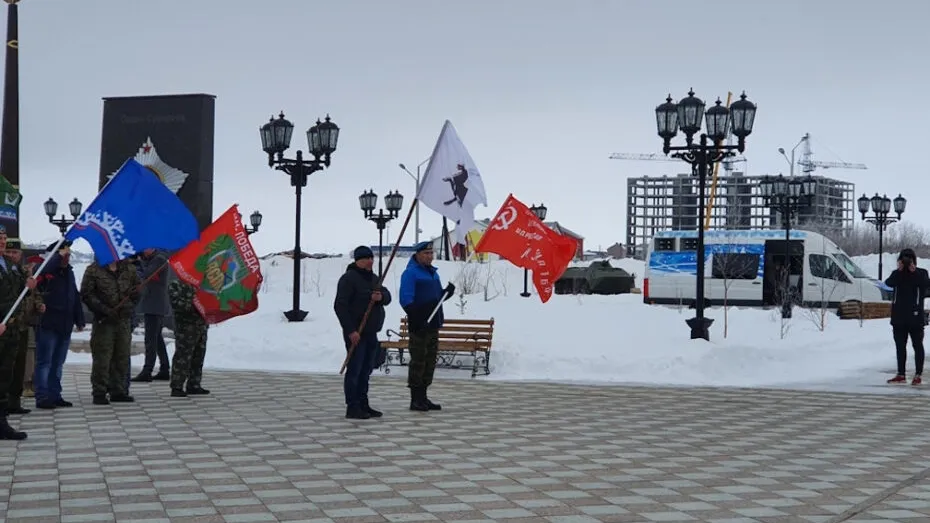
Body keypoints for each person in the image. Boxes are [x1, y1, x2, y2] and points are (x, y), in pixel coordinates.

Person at [334, 246, 392, 419]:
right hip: (356, 332)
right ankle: (352, 406)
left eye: (371, 258)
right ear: (357, 260)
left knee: (366, 369)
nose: (370, 261)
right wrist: (351, 330)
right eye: (366, 258)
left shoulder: (374, 279)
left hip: (371, 332)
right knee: (355, 369)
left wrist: (380, 297)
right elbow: (340, 306)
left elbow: (387, 296)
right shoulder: (348, 279)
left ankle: (363, 403)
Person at [398, 241, 454, 412]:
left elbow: (436, 299)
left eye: (431, 253)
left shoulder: (433, 274)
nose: (430, 256)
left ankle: (424, 396)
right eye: (426, 253)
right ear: (418, 255)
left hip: (433, 323)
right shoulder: (411, 273)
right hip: (419, 325)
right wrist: (417, 318)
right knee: (418, 361)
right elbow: (406, 299)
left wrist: (446, 293)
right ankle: (415, 398)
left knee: (430, 361)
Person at [81, 257, 141, 405]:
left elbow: (137, 290)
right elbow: (86, 294)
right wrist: (103, 310)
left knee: (122, 355)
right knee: (102, 357)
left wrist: (131, 302)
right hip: (104, 321)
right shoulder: (93, 270)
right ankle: (99, 391)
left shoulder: (129, 269)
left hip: (123, 320)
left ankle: (118, 390)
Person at [34, 241, 84, 409]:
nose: (67, 258)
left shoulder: (68, 273)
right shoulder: (45, 269)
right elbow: (39, 274)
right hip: (48, 323)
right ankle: (42, 396)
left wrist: (80, 318)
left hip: (65, 323)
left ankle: (55, 394)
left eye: (69, 255)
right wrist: (56, 258)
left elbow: (74, 296)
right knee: (45, 362)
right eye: (63, 254)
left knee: (58, 363)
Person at [0, 226, 36, 439]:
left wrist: (28, 287)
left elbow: (16, 298)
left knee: (5, 377)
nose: (2, 242)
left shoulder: (11, 266)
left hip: (10, 329)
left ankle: (2, 423)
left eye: (3, 238)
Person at [4, 242, 45, 415]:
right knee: (5, 366)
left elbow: (32, 293)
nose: (12, 255)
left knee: (20, 366)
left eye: (15, 252)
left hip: (22, 325)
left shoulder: (21, 272)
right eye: (9, 251)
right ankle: (4, 403)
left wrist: (39, 304)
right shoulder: (6, 272)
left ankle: (14, 401)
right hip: (6, 325)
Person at [885, 248, 930, 386]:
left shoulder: (921, 273)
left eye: (908, 259)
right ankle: (901, 374)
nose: (906, 262)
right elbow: (888, 283)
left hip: (915, 317)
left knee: (917, 345)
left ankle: (918, 374)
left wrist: (913, 271)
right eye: (904, 259)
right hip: (899, 317)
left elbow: (927, 285)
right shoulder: (896, 274)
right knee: (900, 346)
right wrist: (899, 270)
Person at [131, 249, 172, 382]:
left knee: (150, 339)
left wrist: (138, 263)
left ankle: (147, 370)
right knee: (157, 338)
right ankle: (164, 368)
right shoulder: (150, 260)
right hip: (152, 304)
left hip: (155, 304)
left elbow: (146, 274)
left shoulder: (159, 259)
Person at [168, 275, 210, 397]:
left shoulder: (202, 284)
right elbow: (177, 304)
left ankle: (194, 384)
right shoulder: (176, 284)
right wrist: (195, 304)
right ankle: (177, 386)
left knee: (198, 356)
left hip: (201, 324)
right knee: (183, 356)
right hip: (185, 327)